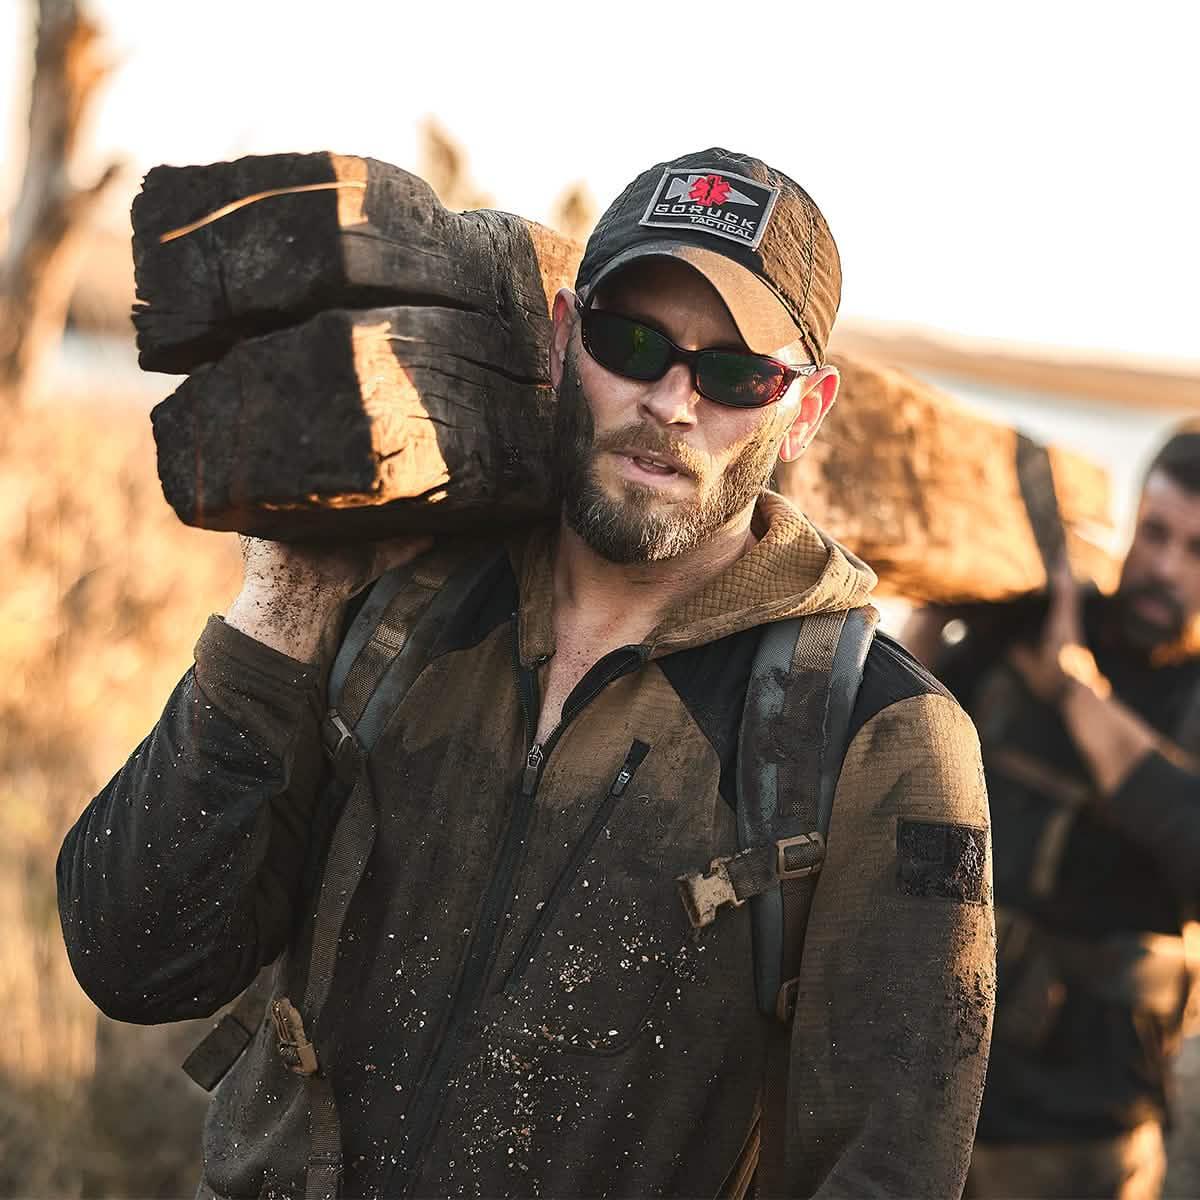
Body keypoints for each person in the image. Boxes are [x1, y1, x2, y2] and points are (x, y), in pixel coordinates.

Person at [59, 149, 993, 1199]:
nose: (673, 402)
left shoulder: (877, 737)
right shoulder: (400, 608)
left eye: (737, 374)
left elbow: (886, 1169)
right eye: (632, 342)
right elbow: (135, 956)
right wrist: (284, 600)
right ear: (561, 336)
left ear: (805, 410)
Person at [904, 424, 1200, 1199]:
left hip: (1085, 1132)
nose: (1166, 568)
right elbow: (898, 750)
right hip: (931, 1081)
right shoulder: (1033, 622)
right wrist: (929, 621)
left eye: (1198, 552)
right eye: (1157, 534)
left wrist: (1079, 695)